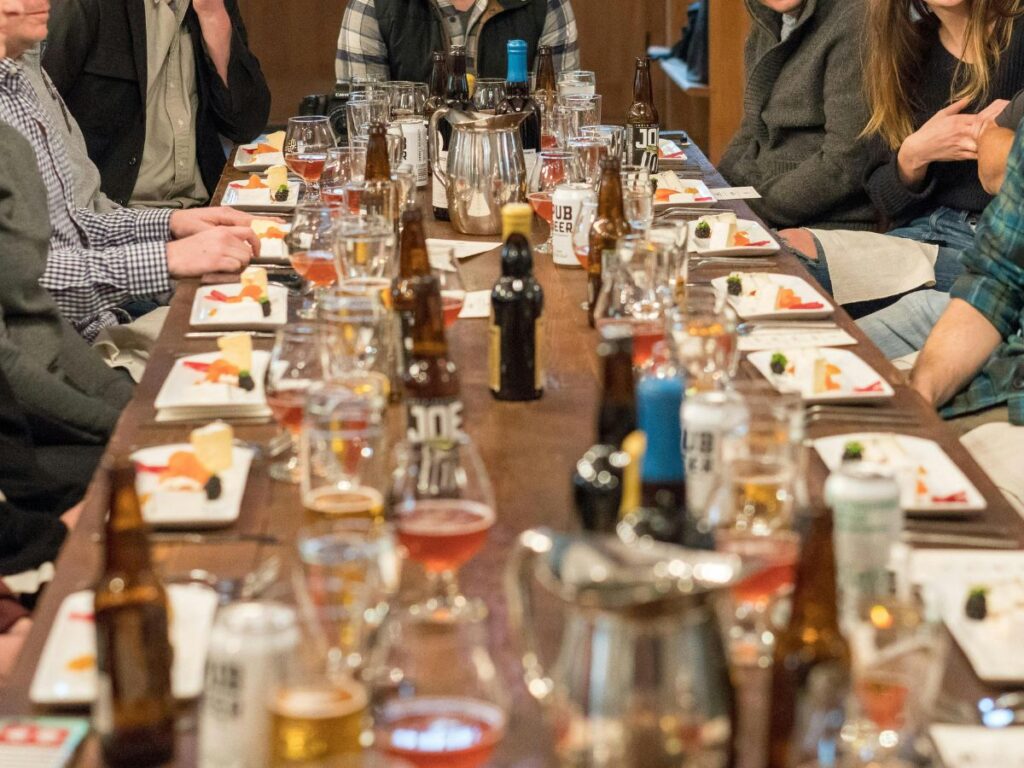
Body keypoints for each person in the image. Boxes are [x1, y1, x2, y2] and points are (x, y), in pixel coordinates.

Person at [0, 0, 261, 343]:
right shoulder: (74, 17)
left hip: (110, 295)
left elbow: (246, 123)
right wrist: (164, 258)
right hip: (88, 315)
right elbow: (29, 283)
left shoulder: (22, 73)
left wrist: (169, 226)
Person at [779, 0, 1024, 317]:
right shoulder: (908, 49)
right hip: (919, 235)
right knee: (787, 251)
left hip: (990, 245)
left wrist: (1010, 123)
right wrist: (913, 155)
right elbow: (883, 197)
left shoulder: (1017, 31)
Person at [43, 0, 270, 209]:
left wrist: (212, 16)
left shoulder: (212, 4)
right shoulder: (84, 6)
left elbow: (246, 124)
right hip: (114, 218)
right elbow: (35, 119)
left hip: (203, 209)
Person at [717, 0, 876, 231]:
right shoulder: (766, 23)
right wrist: (713, 188)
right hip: (760, 206)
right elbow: (752, 127)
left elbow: (847, 163)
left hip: (824, 225)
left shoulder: (854, 20)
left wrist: (747, 208)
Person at [336, 0, 580, 83]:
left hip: (514, 185)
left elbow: (558, 122)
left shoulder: (546, 4)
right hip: (409, 185)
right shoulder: (373, 5)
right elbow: (361, 127)